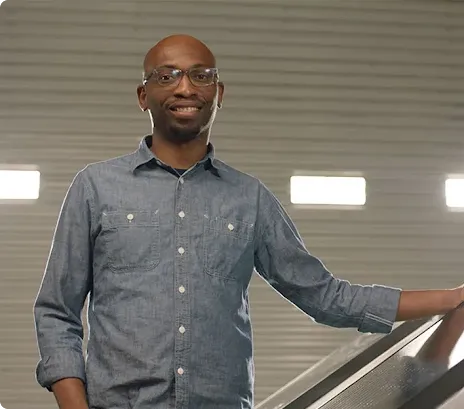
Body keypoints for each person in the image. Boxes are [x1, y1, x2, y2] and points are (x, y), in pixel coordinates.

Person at [33, 34, 464, 409]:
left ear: (219, 92)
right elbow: (57, 312)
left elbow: (325, 296)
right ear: (143, 95)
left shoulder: (249, 198)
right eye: (167, 75)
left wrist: (453, 298)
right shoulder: (95, 187)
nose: (185, 87)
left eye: (200, 75)